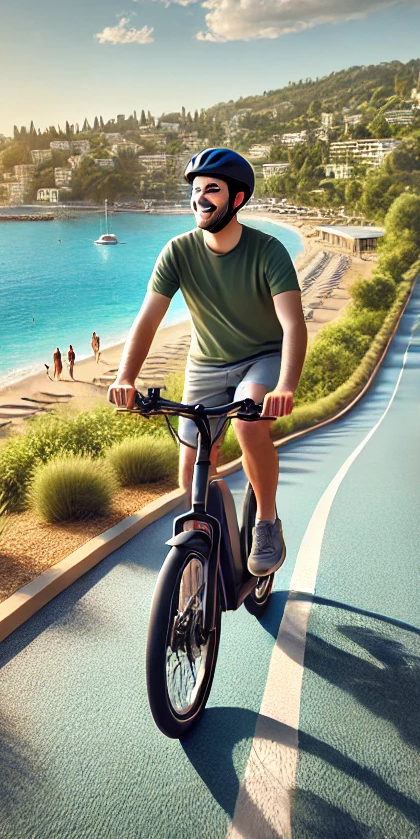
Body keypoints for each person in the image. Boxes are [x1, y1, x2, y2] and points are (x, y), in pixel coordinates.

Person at [108, 148, 305, 576]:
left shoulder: (268, 252)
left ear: (236, 199)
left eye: (211, 189)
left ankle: (267, 522)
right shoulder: (177, 252)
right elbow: (148, 320)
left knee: (249, 426)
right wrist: (126, 377)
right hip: (205, 365)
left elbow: (293, 325)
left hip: (262, 358)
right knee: (191, 469)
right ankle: (209, 541)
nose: (200, 198)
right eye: (196, 190)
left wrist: (286, 386)